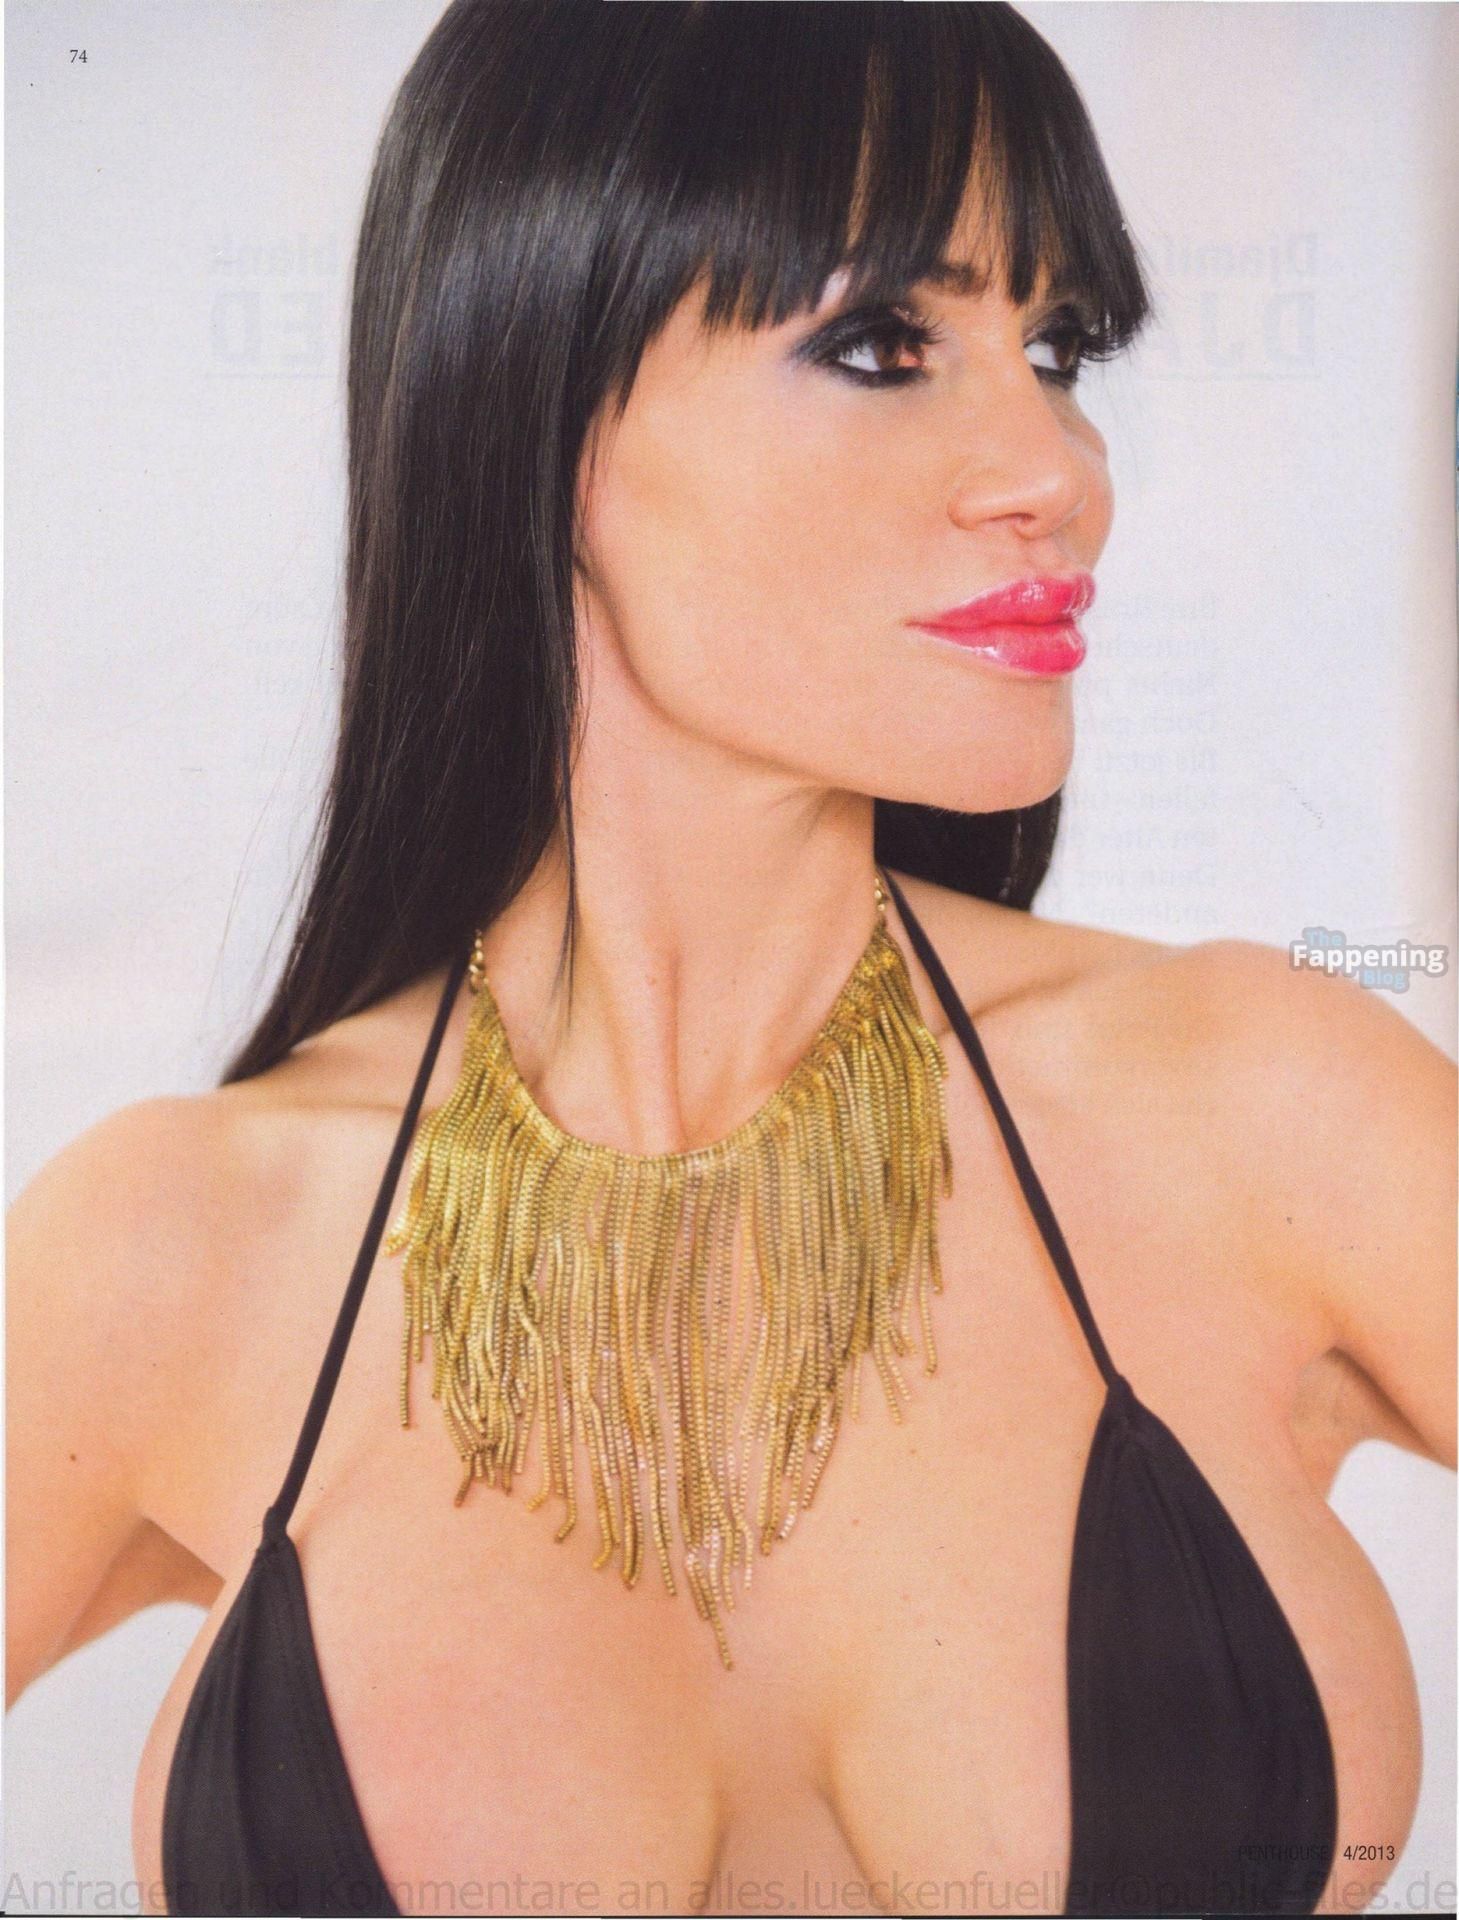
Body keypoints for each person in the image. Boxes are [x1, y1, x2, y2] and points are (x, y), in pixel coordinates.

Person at [8, 4, 1454, 1916]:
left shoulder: (1273, 1109)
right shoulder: (173, 1250)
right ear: (537, 407)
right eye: (882, 346)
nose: (1058, 470)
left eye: (1053, 349)